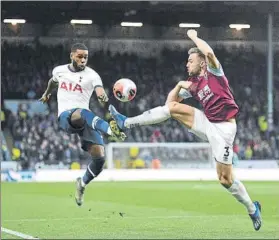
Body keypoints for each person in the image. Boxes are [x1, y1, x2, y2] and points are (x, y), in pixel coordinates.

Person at [109, 30, 262, 231]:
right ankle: (125, 122)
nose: (186, 64)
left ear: (202, 63)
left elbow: (210, 53)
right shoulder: (194, 85)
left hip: (224, 129)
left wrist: (193, 37)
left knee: (225, 179)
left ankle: (252, 209)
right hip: (207, 122)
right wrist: (180, 84)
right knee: (172, 109)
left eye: (191, 60)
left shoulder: (215, 74)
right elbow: (169, 104)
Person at [39, 43, 125, 206]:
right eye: (80, 56)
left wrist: (102, 97)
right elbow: (52, 81)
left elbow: (99, 90)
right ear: (71, 55)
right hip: (66, 116)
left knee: (99, 159)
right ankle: (110, 130)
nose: (83, 60)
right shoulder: (59, 71)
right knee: (83, 113)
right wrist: (46, 94)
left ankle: (82, 184)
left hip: (84, 119)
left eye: (85, 57)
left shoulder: (92, 75)